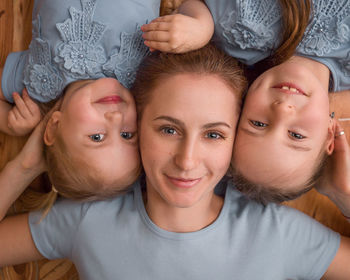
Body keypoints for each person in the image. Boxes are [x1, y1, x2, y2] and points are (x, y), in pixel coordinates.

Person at [1, 45, 350, 279]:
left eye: (214, 135)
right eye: (169, 129)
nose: (187, 161)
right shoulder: (88, 221)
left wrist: (340, 195)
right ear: (136, 127)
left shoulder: (279, 233)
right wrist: (25, 167)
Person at [141, 0, 350, 203]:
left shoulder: (240, 34)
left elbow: (198, 4)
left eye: (258, 124)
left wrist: (201, 25)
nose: (282, 110)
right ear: (329, 134)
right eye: (296, 135)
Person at [0, 0, 160, 203]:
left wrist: (10, 123)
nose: (116, 117)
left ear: (53, 127)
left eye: (97, 137)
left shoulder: (37, 81)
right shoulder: (145, 81)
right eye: (127, 134)